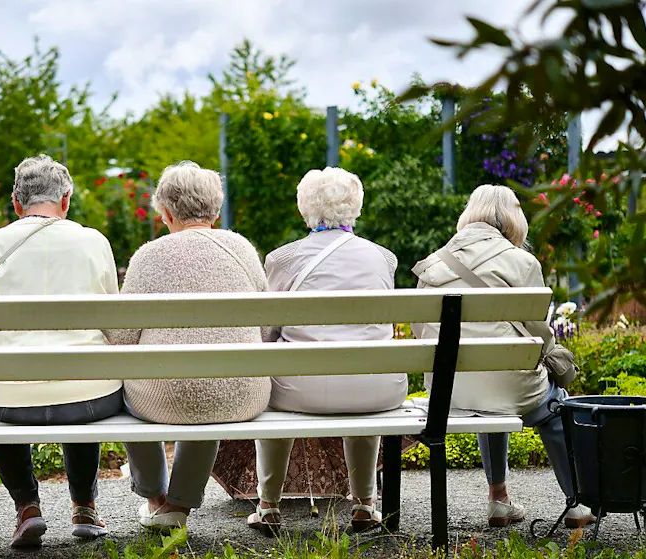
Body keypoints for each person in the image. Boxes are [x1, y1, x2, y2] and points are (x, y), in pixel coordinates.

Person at [412, 184, 596, 529]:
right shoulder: (522, 261)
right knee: (554, 406)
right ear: (514, 220)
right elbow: (541, 336)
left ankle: (499, 498)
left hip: (450, 392)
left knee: (488, 398)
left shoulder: (432, 264)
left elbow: (421, 332)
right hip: (511, 389)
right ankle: (576, 503)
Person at [0, 154, 122, 548]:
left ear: (17, 204)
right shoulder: (94, 241)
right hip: (87, 400)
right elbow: (114, 319)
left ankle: (27, 508)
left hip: (7, 401)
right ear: (66, 200)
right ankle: (84, 507)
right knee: (82, 376)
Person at [104, 161, 271, 532]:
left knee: (134, 386)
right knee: (211, 379)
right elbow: (266, 324)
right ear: (216, 207)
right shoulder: (242, 248)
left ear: (164, 210)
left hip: (164, 396)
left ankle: (156, 498)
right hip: (242, 391)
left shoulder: (149, 255)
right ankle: (177, 504)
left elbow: (121, 340)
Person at [250, 167, 408, 535]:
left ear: (305, 207)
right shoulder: (383, 258)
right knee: (364, 364)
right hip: (376, 390)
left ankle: (269, 505)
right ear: (356, 206)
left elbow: (267, 332)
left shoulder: (282, 259)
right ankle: (365, 504)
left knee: (276, 373)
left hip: (298, 392)